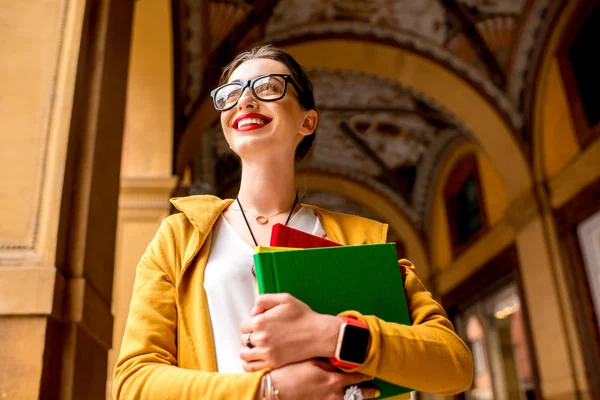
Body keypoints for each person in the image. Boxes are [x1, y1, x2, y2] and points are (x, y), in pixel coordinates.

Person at [113, 44, 474, 400]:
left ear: (307, 121)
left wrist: (332, 334)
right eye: (231, 93)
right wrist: (269, 391)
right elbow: (134, 382)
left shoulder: (360, 240)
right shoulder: (180, 238)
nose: (245, 101)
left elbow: (454, 365)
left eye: (268, 88)